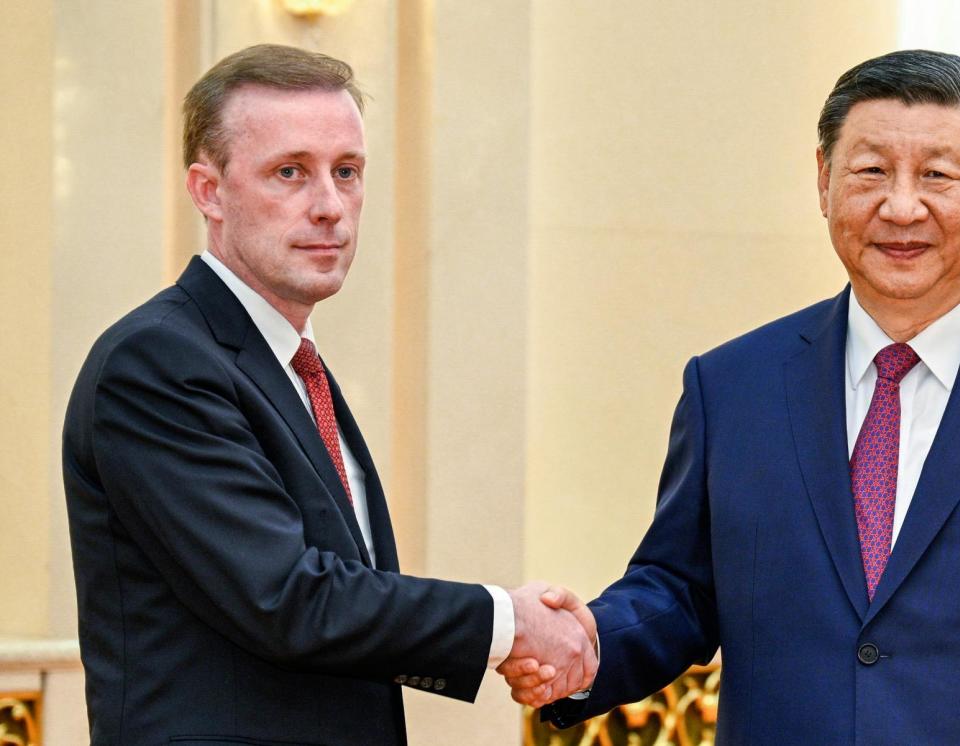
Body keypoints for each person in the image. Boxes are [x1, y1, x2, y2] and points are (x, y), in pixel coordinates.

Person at [501, 49, 960, 744]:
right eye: (870, 172)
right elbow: (681, 589)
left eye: (936, 175)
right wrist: (592, 643)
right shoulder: (732, 386)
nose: (900, 206)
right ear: (824, 182)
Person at [62, 44, 595, 745]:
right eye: (291, 172)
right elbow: (287, 598)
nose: (330, 206)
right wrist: (512, 624)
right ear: (208, 191)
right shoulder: (158, 362)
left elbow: (345, 610)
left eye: (347, 172)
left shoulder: (290, 364)